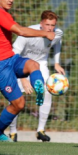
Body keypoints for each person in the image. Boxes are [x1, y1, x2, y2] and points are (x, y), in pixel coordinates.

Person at [0, 0, 56, 142]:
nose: (11, 0)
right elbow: (21, 31)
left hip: (9, 58)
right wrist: (44, 33)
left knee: (34, 65)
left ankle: (39, 89)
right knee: (19, 104)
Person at [9, 10, 64, 142]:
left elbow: (58, 43)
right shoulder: (27, 33)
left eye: (52, 25)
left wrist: (56, 63)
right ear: (41, 24)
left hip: (40, 64)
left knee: (47, 91)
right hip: (22, 63)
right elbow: (13, 56)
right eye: (47, 25)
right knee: (16, 98)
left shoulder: (57, 33)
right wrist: (22, 78)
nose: (50, 28)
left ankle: (40, 130)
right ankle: (12, 132)